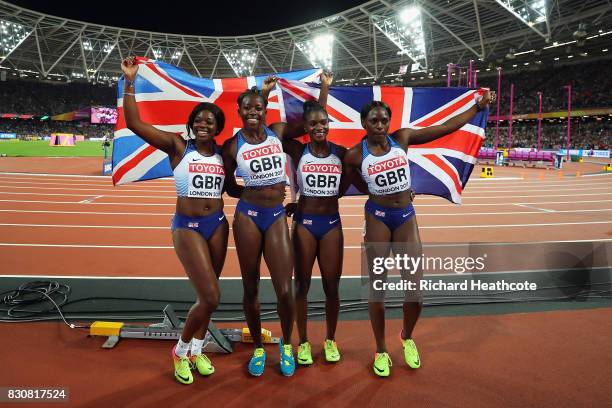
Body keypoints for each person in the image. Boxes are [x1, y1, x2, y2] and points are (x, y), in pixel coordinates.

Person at [343, 90, 495, 377]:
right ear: (364, 122)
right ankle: (380, 349)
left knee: (416, 292)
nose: (380, 124)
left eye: (384, 119)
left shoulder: (402, 138)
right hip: (376, 218)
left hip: (405, 218)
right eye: (374, 120)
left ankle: (407, 337)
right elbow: (356, 185)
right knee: (377, 289)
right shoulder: (354, 155)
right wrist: (382, 191)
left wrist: (476, 107)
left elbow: (444, 128)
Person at [121, 57, 242, 385]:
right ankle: (180, 350)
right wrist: (130, 81)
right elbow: (134, 124)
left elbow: (231, 189)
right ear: (193, 124)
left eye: (210, 121)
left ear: (217, 127)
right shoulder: (177, 146)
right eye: (199, 120)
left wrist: (265, 194)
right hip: (187, 227)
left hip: (217, 224)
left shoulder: (222, 154)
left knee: (211, 293)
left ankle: (198, 349)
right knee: (211, 297)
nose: (204, 124)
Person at [221, 75, 328, 377]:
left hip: (276, 216)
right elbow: (229, 186)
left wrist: (324, 89)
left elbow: (313, 121)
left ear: (264, 110)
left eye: (258, 107)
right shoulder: (232, 146)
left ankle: (286, 345)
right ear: (239, 111)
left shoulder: (277, 133)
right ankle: (257, 346)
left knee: (284, 289)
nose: (253, 112)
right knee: (251, 285)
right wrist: (253, 193)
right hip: (247, 218)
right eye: (247, 108)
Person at [281, 72, 350, 365]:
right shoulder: (298, 149)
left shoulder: (343, 154)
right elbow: (281, 133)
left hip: (332, 224)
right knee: (303, 285)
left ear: (330, 124)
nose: (319, 127)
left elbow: (361, 177)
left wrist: (408, 189)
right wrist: (321, 94)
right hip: (305, 226)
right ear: (306, 127)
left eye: (324, 122)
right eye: (313, 123)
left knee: (332, 287)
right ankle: (304, 342)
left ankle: (331, 340)